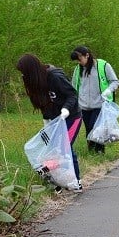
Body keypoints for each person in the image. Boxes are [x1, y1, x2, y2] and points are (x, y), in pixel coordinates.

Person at [16, 54, 83, 193]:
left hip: (70, 117)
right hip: (53, 120)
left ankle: (75, 181)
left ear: (31, 70)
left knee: (65, 149)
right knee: (50, 152)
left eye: (24, 72)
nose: (23, 76)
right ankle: (56, 181)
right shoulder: (35, 83)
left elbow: (72, 95)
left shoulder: (54, 77)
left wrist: (66, 109)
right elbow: (44, 104)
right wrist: (47, 120)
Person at [70, 46, 119, 154]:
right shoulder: (78, 69)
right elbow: (74, 86)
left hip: (99, 104)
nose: (79, 62)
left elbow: (115, 81)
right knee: (89, 129)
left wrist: (108, 91)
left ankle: (100, 151)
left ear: (87, 55)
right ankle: (92, 152)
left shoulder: (103, 66)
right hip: (83, 105)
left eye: (80, 59)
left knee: (96, 127)